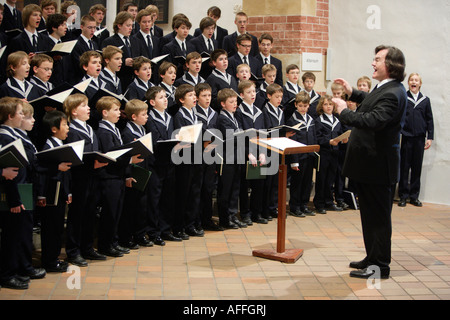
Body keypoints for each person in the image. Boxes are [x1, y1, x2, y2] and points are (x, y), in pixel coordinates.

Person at [333, 45, 408, 279]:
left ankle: (379, 266)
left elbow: (373, 120)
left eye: (377, 59)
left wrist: (344, 112)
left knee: (378, 220)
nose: (373, 63)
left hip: (378, 168)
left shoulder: (393, 93)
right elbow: (371, 101)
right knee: (370, 217)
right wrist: (353, 92)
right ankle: (372, 257)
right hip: (370, 167)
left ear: (391, 65)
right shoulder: (387, 88)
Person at [0, 97, 46, 289]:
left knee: (22, 231)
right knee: (12, 234)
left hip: (23, 188)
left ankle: (20, 267)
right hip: (14, 191)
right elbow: (9, 171)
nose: (23, 116)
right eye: (20, 113)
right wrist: (14, 200)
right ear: (10, 116)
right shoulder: (4, 137)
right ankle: (7, 273)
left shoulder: (16, 135)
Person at [96, 96, 143, 257]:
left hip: (118, 175)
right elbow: (111, 155)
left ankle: (113, 242)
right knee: (109, 213)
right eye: (115, 110)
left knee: (116, 212)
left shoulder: (113, 128)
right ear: (105, 112)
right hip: (109, 177)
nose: (119, 113)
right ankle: (106, 244)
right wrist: (130, 159)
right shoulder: (103, 131)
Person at [64, 93, 108, 267]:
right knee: (77, 215)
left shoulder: (90, 128)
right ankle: (73, 251)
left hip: (93, 177)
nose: (88, 108)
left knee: (89, 213)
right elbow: (74, 157)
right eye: (84, 106)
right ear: (74, 111)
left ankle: (87, 247)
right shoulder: (72, 130)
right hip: (79, 178)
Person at [36, 110, 71, 273]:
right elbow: (41, 171)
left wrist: (68, 192)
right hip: (50, 194)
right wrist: (41, 194)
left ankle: (55, 258)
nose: (68, 128)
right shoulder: (48, 147)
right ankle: (49, 260)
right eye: (64, 125)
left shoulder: (60, 145)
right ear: (54, 129)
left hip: (60, 193)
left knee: (57, 227)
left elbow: (65, 173)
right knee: (50, 227)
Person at [145, 86, 178, 243]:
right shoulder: (149, 119)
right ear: (152, 102)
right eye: (160, 97)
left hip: (169, 163)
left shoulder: (169, 117)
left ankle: (165, 229)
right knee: (154, 199)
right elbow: (154, 142)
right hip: (155, 164)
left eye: (166, 96)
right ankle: (153, 231)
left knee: (168, 198)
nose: (165, 99)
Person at [120, 99, 154, 248]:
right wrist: (127, 175)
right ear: (133, 117)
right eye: (144, 114)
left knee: (142, 205)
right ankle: (126, 237)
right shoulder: (127, 133)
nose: (147, 117)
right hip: (133, 173)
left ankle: (140, 234)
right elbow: (127, 157)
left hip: (143, 171)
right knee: (131, 207)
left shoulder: (142, 129)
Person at [172, 84, 204, 239]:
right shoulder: (179, 116)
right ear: (181, 100)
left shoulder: (194, 114)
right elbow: (181, 140)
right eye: (190, 95)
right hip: (185, 160)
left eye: (194, 95)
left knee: (194, 193)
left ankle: (191, 224)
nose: (195, 98)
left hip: (196, 157)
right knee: (183, 194)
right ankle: (179, 226)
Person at [398, 73, 434, 207]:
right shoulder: (404, 98)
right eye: (411, 80)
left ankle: (414, 196)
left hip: (419, 138)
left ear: (420, 83)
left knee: (416, 168)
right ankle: (403, 196)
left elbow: (429, 119)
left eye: (416, 80)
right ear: (408, 83)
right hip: (406, 138)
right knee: (404, 167)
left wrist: (430, 137)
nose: (414, 82)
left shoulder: (425, 100)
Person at [235, 80, 268, 224]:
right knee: (244, 186)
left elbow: (262, 134)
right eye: (249, 92)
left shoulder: (259, 112)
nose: (252, 94)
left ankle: (256, 212)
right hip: (245, 153)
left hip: (258, 152)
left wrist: (261, 152)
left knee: (258, 185)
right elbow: (240, 135)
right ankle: (245, 213)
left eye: (254, 91)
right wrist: (249, 153)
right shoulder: (238, 112)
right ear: (241, 95)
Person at [193, 83, 222, 231]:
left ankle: (207, 219)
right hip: (198, 155)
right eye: (204, 96)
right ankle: (196, 221)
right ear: (197, 98)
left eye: (209, 95)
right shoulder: (194, 113)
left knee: (209, 189)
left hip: (211, 155)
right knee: (198, 188)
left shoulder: (214, 113)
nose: (207, 98)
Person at [216, 88, 245, 229]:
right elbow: (229, 137)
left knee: (235, 189)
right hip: (227, 159)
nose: (235, 104)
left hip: (236, 157)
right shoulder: (222, 118)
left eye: (235, 101)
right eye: (231, 102)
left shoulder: (233, 116)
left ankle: (233, 215)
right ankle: (224, 219)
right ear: (223, 104)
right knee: (226, 190)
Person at [313, 95, 345, 214]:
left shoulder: (337, 120)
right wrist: (328, 142)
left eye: (330, 104)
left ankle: (329, 201)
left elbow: (340, 134)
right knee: (322, 178)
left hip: (335, 153)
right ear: (322, 106)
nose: (328, 107)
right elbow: (318, 137)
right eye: (326, 104)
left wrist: (343, 139)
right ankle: (319, 203)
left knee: (331, 178)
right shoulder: (319, 120)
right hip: (324, 153)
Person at [287, 91, 317, 217]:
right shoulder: (292, 120)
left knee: (307, 182)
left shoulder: (310, 119)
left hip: (309, 156)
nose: (303, 108)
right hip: (298, 157)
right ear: (295, 105)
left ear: (309, 106)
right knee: (297, 183)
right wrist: (294, 160)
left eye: (305, 106)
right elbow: (292, 141)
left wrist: (314, 153)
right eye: (300, 106)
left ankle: (304, 205)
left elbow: (314, 137)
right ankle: (295, 206)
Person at [101, 11, 145, 91]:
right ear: (119, 25)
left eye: (132, 25)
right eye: (128, 25)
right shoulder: (109, 41)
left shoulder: (136, 41)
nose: (131, 28)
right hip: (120, 79)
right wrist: (124, 62)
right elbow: (105, 62)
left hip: (135, 81)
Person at [70, 15, 99, 84]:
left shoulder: (94, 44)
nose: (93, 30)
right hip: (80, 80)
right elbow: (78, 64)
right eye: (90, 27)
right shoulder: (76, 44)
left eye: (94, 27)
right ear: (82, 27)